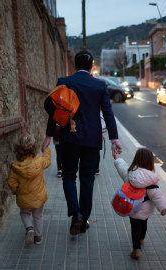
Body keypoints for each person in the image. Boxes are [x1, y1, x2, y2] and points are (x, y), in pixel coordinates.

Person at [42, 50, 122, 235]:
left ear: (76, 66)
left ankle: (75, 214)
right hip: (92, 140)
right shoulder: (99, 85)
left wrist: (48, 135)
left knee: (69, 175)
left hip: (69, 136)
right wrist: (114, 139)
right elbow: (108, 113)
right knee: (87, 179)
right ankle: (84, 219)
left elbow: (55, 110)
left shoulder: (65, 81)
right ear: (91, 66)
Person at [113, 148, 166, 258]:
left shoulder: (130, 174)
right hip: (146, 208)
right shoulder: (151, 178)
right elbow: (156, 195)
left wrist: (117, 158)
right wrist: (162, 208)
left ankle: (136, 249)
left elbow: (122, 168)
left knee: (135, 228)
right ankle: (142, 239)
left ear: (136, 160)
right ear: (151, 162)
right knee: (143, 223)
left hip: (132, 207)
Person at [8, 134, 51, 245]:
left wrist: (16, 191)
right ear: (34, 148)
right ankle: (38, 237)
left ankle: (29, 228)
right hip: (38, 196)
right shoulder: (40, 161)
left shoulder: (16, 167)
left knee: (24, 213)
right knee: (38, 216)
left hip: (24, 197)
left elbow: (12, 183)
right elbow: (47, 160)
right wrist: (46, 149)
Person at [95, 110, 107, 175]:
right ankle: (96, 168)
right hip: (102, 134)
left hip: (93, 133)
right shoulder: (102, 113)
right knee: (97, 151)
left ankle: (95, 167)